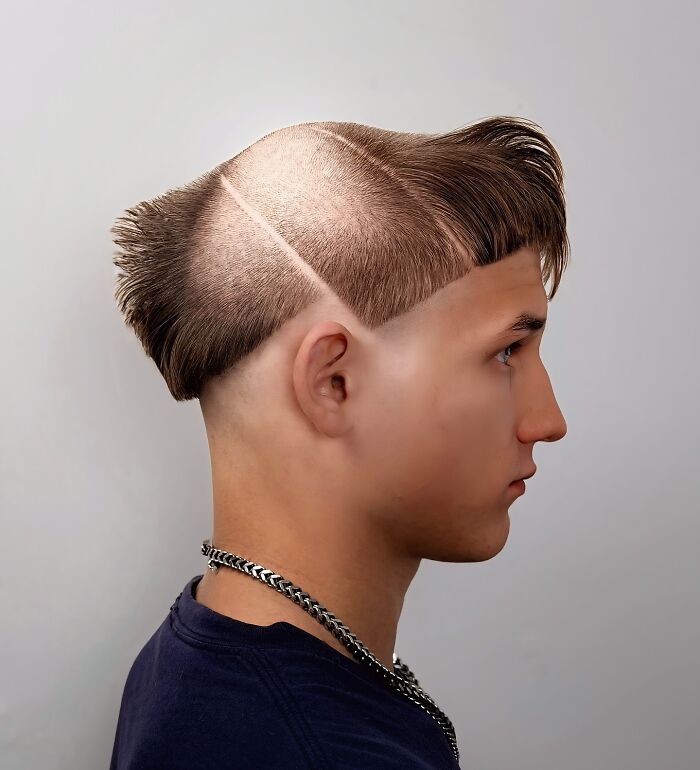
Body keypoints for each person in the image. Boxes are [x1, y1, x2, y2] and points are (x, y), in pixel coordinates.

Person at [108, 115, 569, 769]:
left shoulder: (188, 657)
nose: (547, 420)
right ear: (334, 383)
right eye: (506, 352)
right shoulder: (314, 749)